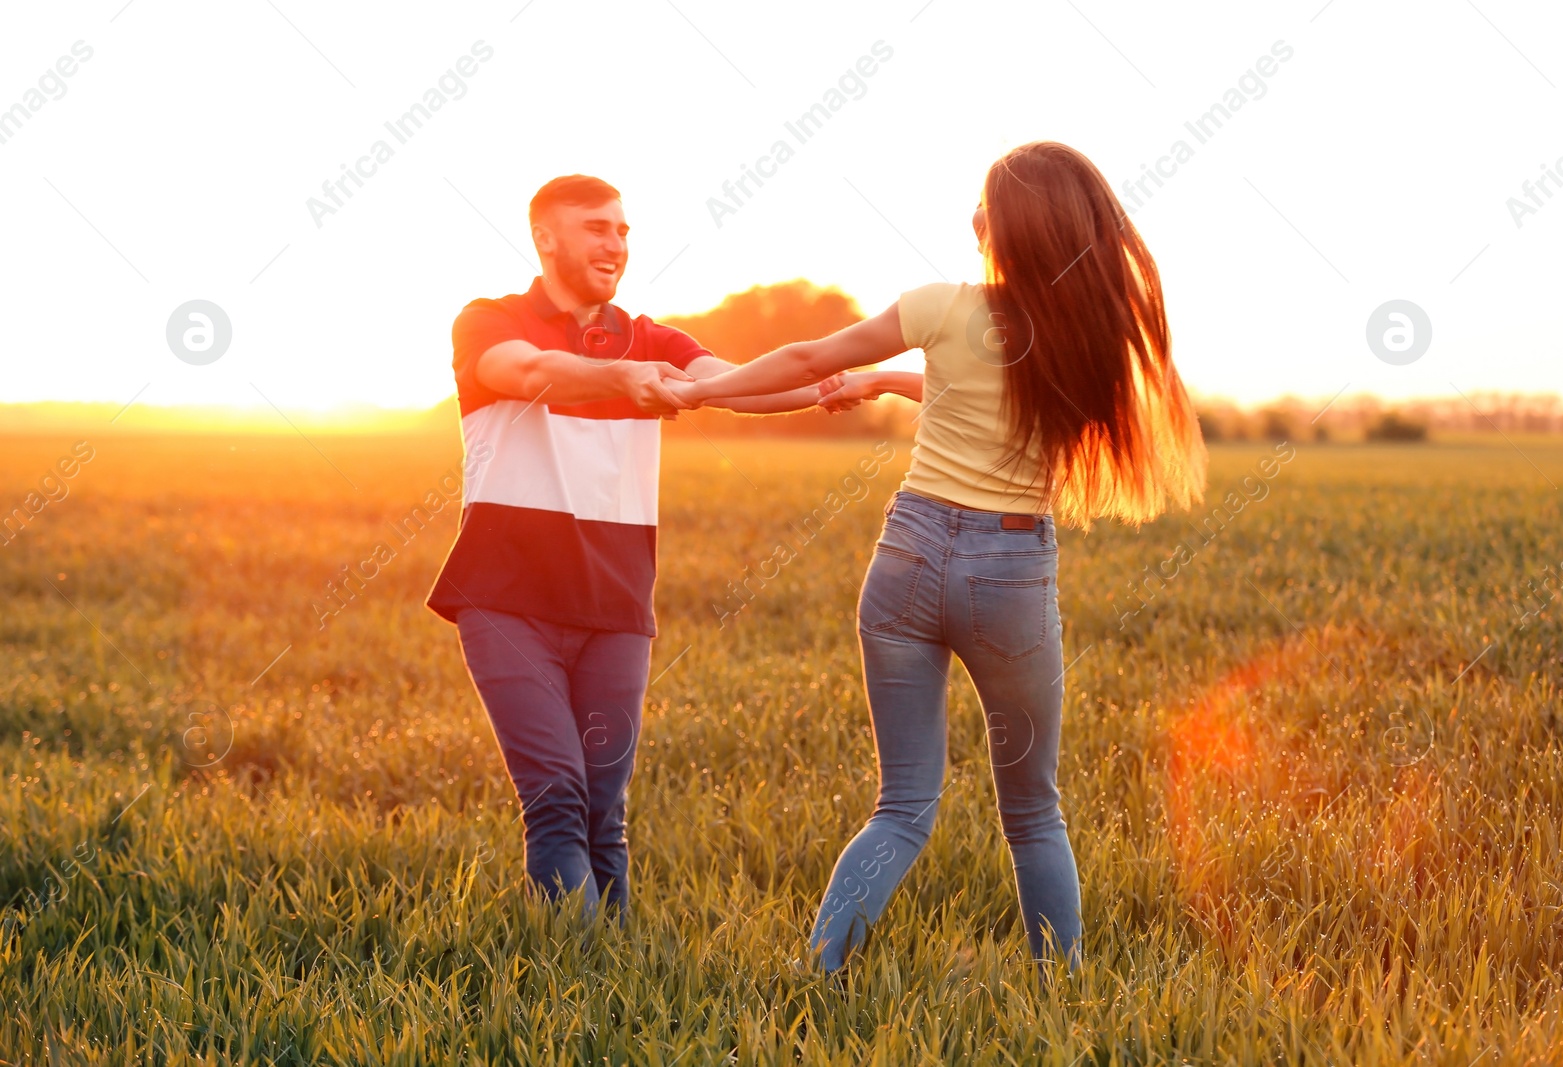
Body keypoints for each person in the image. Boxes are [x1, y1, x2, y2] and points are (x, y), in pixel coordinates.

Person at [675, 141, 1207, 970]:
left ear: (998, 228)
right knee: (1033, 812)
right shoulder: (1087, 338)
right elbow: (996, 395)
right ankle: (1061, 990)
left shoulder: (939, 308)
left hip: (908, 557)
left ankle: (817, 974)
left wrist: (702, 388)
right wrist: (890, 384)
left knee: (902, 805)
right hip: (1009, 572)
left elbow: (813, 359)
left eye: (984, 206)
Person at [426, 174, 837, 918]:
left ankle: (614, 992)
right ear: (546, 237)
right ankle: (569, 986)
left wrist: (827, 382)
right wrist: (620, 378)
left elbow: (733, 383)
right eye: (595, 228)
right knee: (556, 798)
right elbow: (530, 371)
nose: (614, 244)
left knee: (604, 816)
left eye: (621, 229)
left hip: (616, 606)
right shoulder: (489, 321)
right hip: (506, 603)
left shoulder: (652, 340)